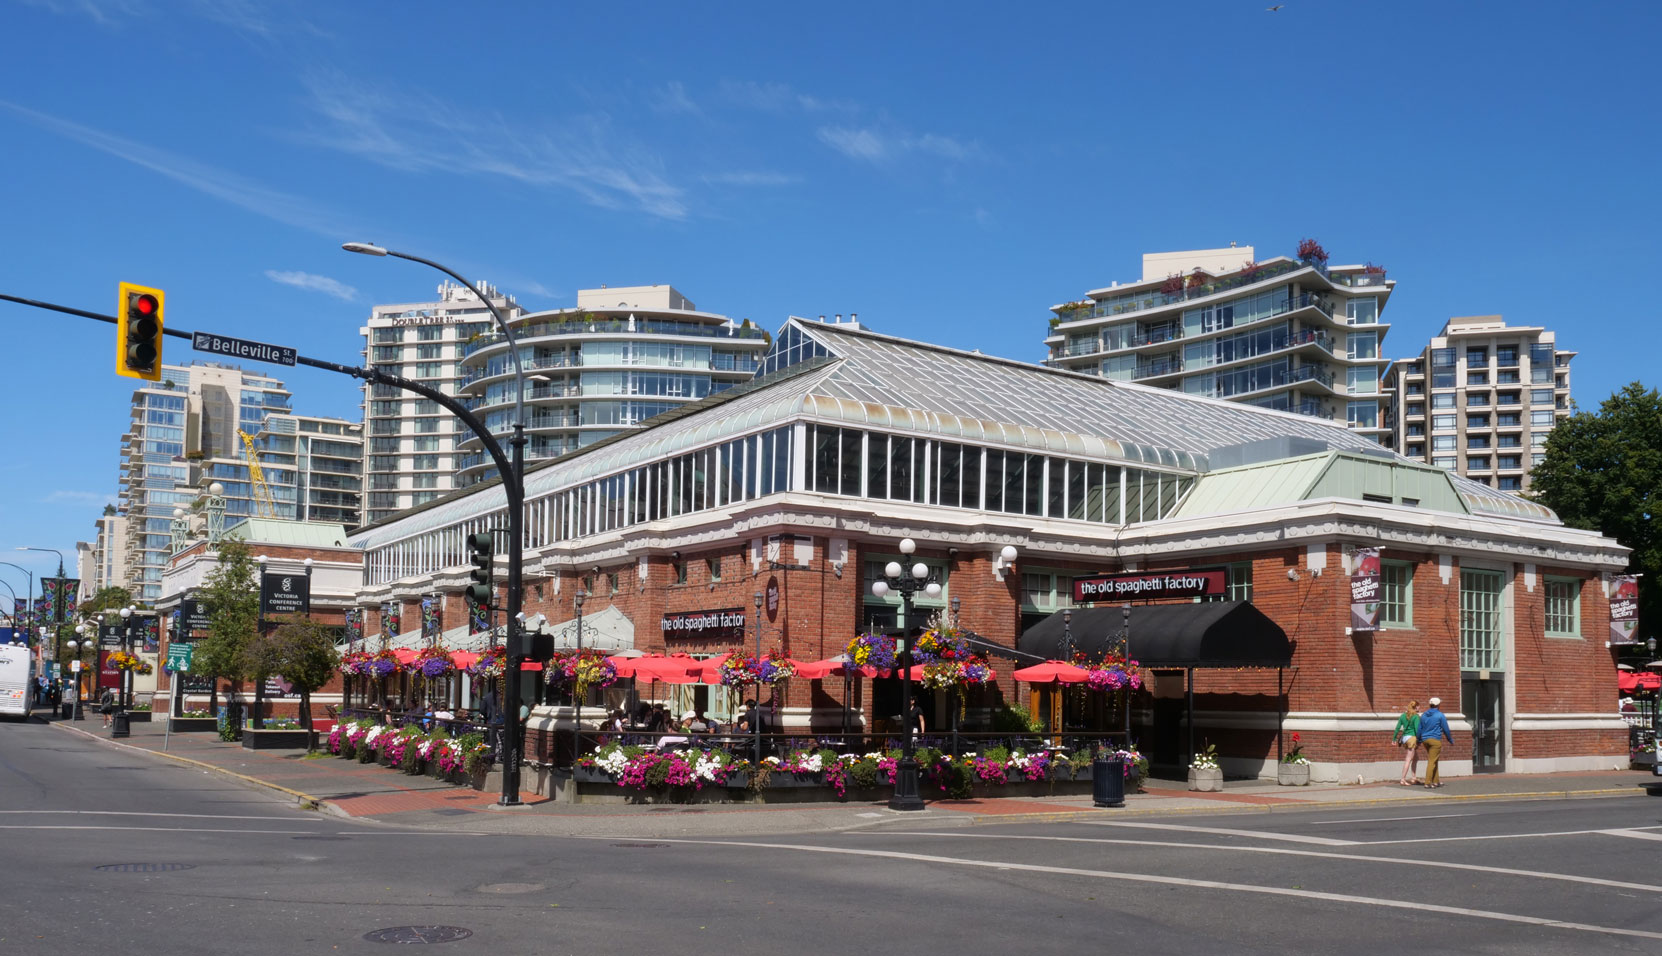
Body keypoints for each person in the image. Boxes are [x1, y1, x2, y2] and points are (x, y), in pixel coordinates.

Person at [1418, 696, 1453, 788]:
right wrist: (1450, 739)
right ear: (1438, 705)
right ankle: (1428, 782)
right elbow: (1446, 729)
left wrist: (1419, 740)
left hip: (1425, 739)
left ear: (1430, 704)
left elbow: (1419, 728)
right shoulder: (1440, 715)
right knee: (1432, 761)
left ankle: (1436, 781)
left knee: (1434, 760)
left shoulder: (1424, 715)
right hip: (1435, 740)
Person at [1393, 699, 1421, 786]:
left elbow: (1397, 728)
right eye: (1418, 706)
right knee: (1408, 759)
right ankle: (1403, 779)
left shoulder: (1403, 715)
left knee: (1415, 758)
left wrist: (1394, 739)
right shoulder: (1416, 716)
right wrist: (1420, 740)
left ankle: (1413, 777)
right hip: (1412, 738)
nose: (1419, 708)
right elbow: (1417, 729)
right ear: (1415, 707)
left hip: (1405, 738)